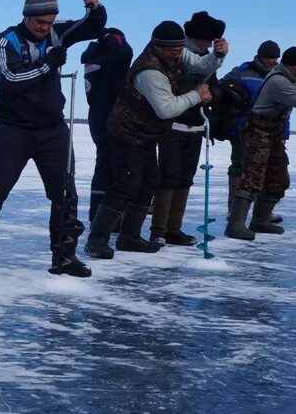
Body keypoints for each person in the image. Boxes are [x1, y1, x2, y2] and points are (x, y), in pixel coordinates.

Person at [0, 0, 106, 277]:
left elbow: (93, 25)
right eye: (41, 22)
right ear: (27, 17)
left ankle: (64, 255)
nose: (46, 28)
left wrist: (95, 6)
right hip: (13, 130)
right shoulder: (6, 40)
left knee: (65, 193)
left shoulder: (58, 33)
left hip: (53, 130)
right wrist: (48, 63)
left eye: (51, 22)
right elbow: (12, 79)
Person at [84, 21, 224, 259]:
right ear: (157, 46)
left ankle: (129, 237)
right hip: (127, 132)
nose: (177, 54)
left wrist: (218, 56)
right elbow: (166, 109)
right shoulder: (149, 71)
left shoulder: (177, 53)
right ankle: (96, 240)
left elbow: (201, 65)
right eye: (172, 50)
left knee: (148, 182)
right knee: (125, 185)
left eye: (179, 49)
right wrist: (196, 95)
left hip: (147, 133)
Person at [225, 47, 296, 240]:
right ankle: (235, 225)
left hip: (274, 133)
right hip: (257, 131)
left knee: (278, 178)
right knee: (253, 178)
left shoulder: (289, 74)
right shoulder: (279, 81)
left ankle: (260, 220)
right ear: (288, 65)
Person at [149, 11, 225, 246]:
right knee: (169, 176)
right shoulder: (179, 55)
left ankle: (174, 228)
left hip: (195, 127)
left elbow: (215, 87)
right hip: (173, 125)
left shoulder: (206, 59)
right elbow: (170, 89)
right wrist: (194, 94)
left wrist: (210, 97)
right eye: (210, 39)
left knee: (185, 178)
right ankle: (159, 229)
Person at [214, 40, 284, 223]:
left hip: (270, 130)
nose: (273, 61)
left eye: (276, 58)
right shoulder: (242, 72)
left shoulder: (277, 75)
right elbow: (221, 88)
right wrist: (235, 99)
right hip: (242, 128)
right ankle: (234, 210)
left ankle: (262, 213)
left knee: (268, 170)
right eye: (270, 58)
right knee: (240, 167)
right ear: (261, 56)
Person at [80, 28, 133, 221]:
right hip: (110, 118)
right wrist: (110, 37)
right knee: (112, 167)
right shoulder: (108, 60)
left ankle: (99, 214)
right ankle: (106, 217)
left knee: (105, 165)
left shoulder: (95, 60)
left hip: (99, 116)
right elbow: (125, 53)